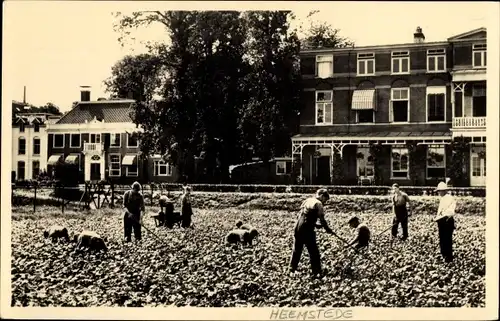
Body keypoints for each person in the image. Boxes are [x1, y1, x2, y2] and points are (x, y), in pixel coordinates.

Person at [290, 188, 334, 277]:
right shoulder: (318, 204)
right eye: (325, 199)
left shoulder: (308, 200)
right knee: (314, 251)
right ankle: (317, 272)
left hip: (298, 226)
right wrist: (327, 229)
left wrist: (314, 224)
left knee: (297, 249)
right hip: (307, 229)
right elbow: (322, 219)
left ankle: (291, 269)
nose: (325, 202)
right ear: (321, 196)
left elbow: (303, 215)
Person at [434, 182, 456, 263]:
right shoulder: (443, 198)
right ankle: (444, 254)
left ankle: (448, 256)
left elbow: (450, 211)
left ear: (444, 191)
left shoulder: (449, 198)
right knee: (442, 237)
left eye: (439, 191)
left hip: (447, 220)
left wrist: (442, 216)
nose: (438, 193)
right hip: (442, 220)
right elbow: (440, 210)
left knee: (447, 238)